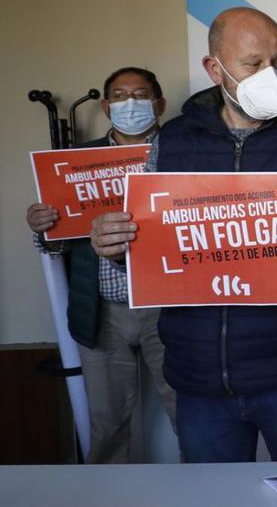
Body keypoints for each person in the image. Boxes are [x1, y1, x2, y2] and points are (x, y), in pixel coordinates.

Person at [89, 7, 277, 462]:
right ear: (215, 68)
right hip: (200, 380)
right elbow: (150, 247)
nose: (272, 75)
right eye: (254, 64)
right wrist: (116, 248)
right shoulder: (170, 143)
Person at [26, 67, 176, 463]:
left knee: (191, 413)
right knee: (106, 423)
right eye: (121, 96)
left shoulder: (184, 154)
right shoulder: (76, 163)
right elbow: (57, 244)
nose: (131, 104)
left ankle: (205, 506)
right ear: (107, 106)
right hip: (101, 312)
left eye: (140, 95)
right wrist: (43, 228)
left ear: (158, 104)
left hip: (171, 310)